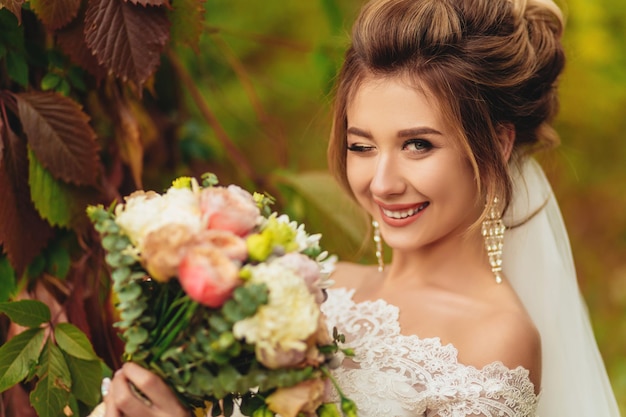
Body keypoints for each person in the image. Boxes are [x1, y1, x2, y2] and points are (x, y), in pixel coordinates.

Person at [98, 0, 621, 416]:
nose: (383, 183)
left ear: (497, 144)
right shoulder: (309, 285)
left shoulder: (493, 338)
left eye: (419, 144)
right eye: (362, 146)